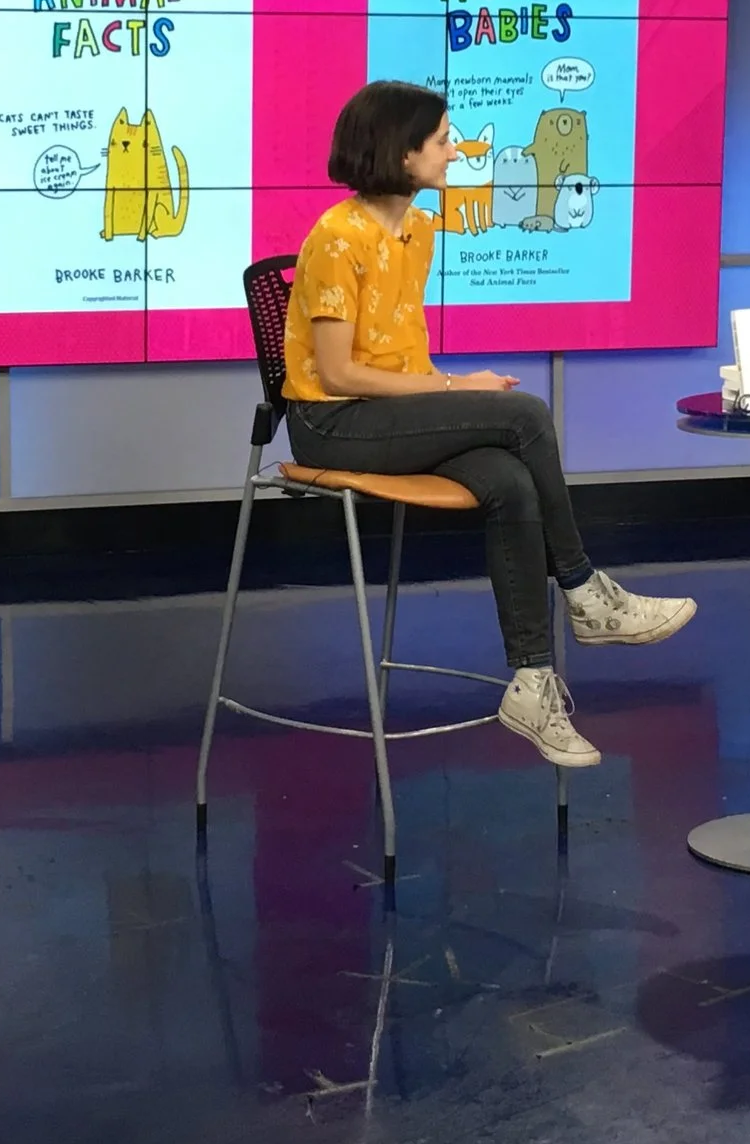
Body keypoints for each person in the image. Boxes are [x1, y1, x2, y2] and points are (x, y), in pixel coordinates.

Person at [281, 80, 697, 768]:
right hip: (331, 423)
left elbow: (396, 355)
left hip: (390, 414)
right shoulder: (337, 236)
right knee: (525, 414)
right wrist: (455, 386)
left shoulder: (417, 229)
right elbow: (338, 375)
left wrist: (448, 389)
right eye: (443, 140)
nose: (455, 152)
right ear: (402, 151)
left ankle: (532, 682)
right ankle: (586, 592)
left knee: (509, 480)